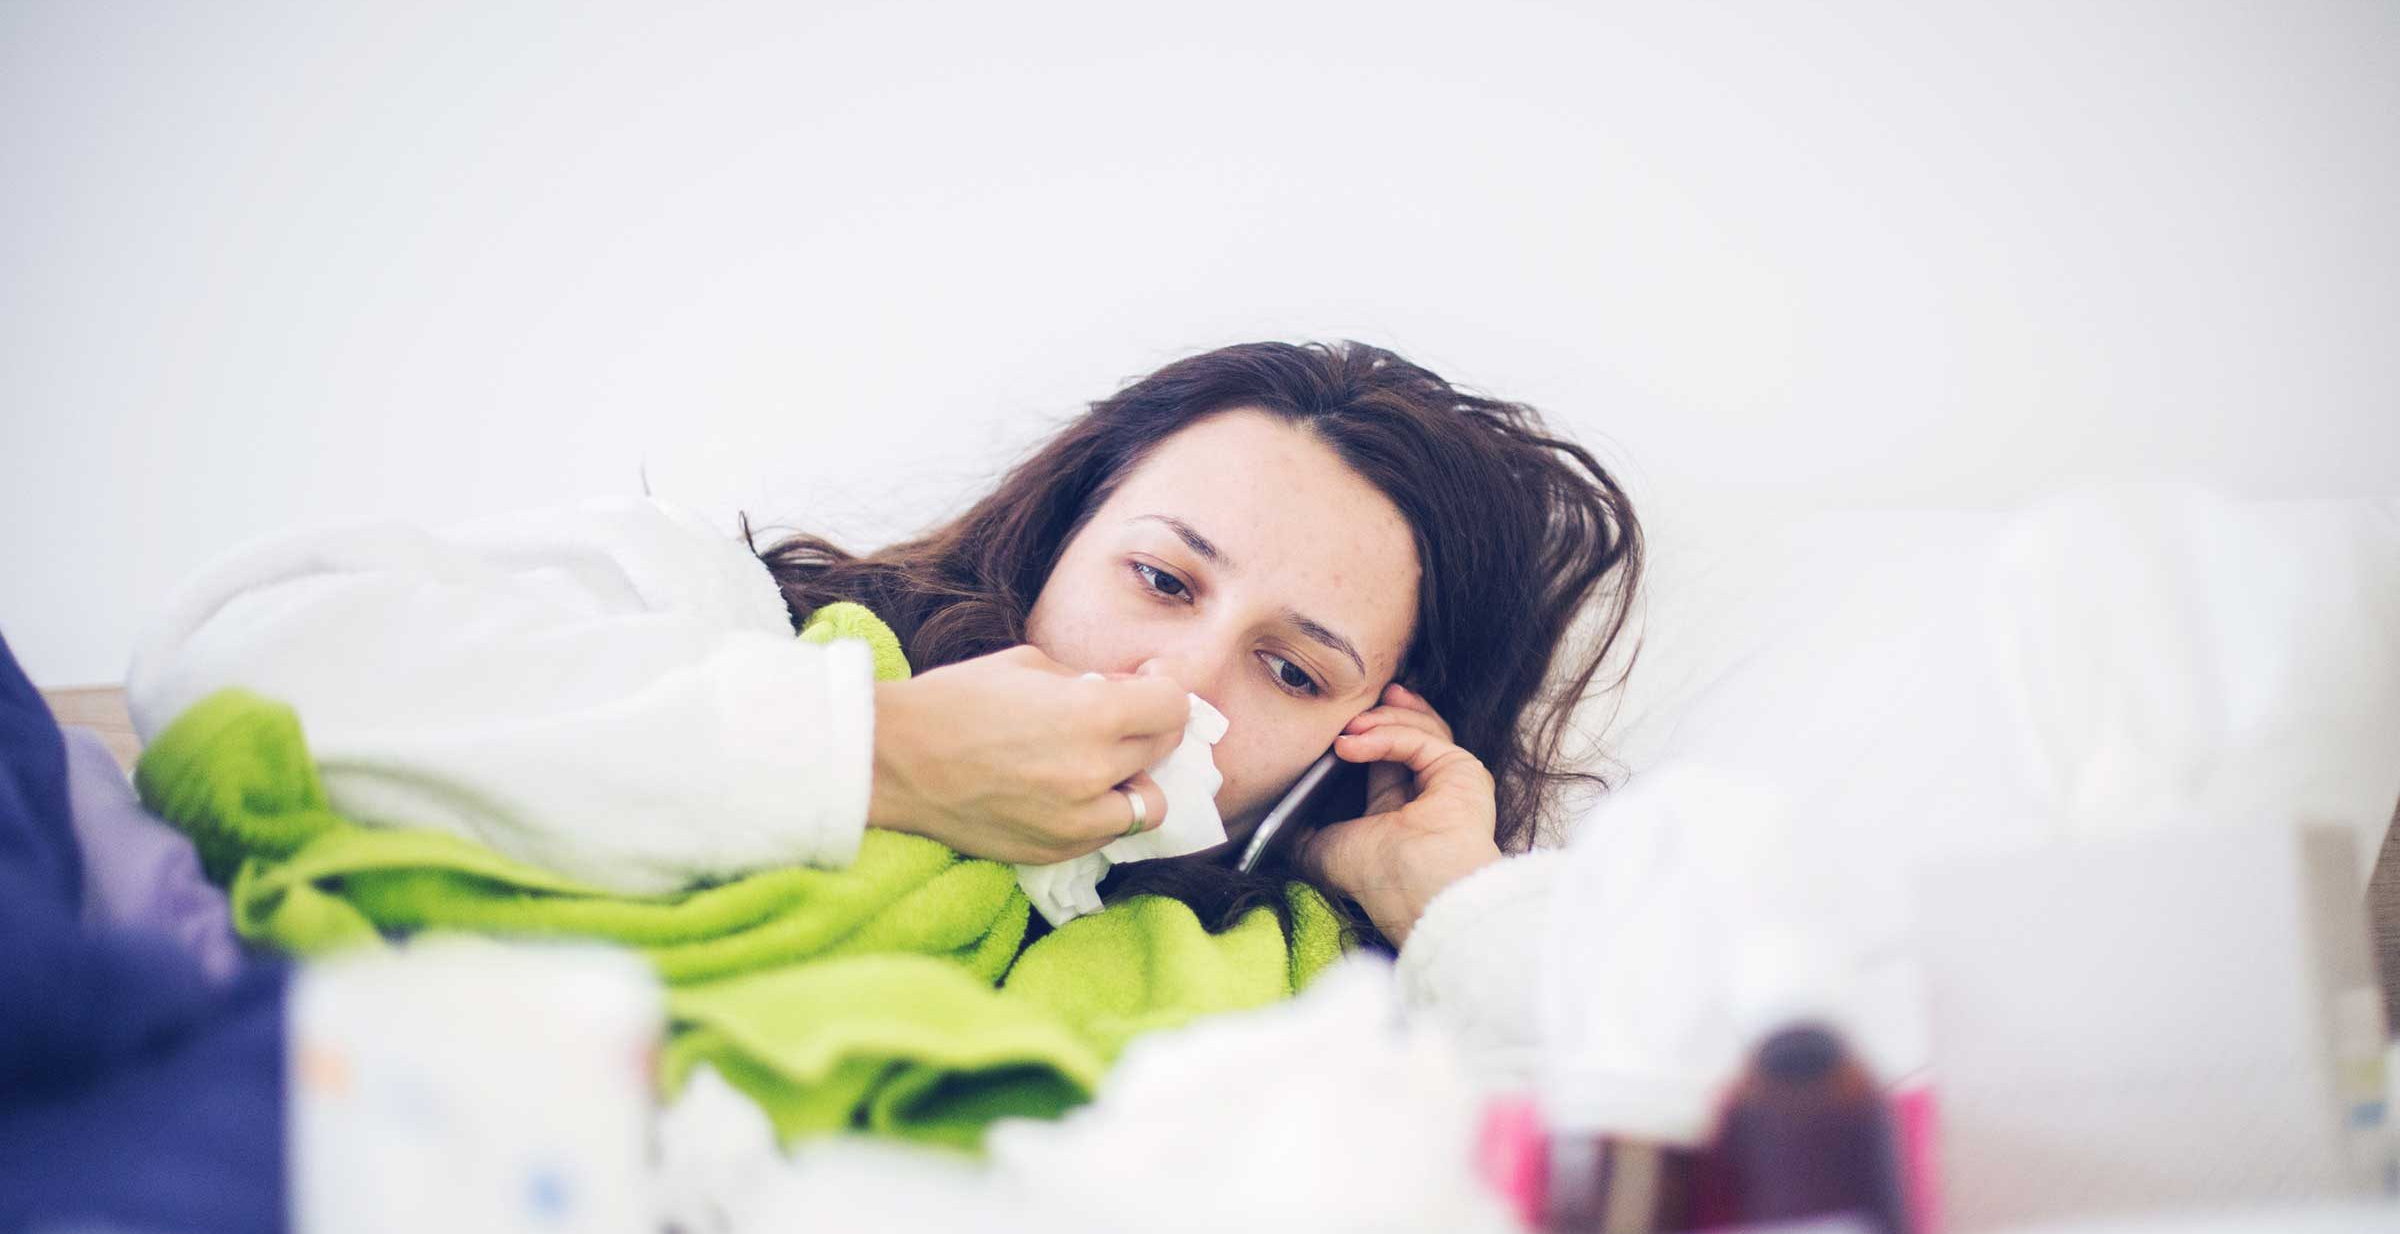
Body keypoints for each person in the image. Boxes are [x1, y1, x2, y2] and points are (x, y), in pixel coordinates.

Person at [129, 340, 1642, 973]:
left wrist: (1448, 906)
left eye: (1294, 674)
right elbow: (222, 672)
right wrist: (877, 759)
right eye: (1160, 577)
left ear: (1356, 742)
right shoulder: (717, 618)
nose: (1181, 686)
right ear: (1058, 533)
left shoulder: (1283, 979)